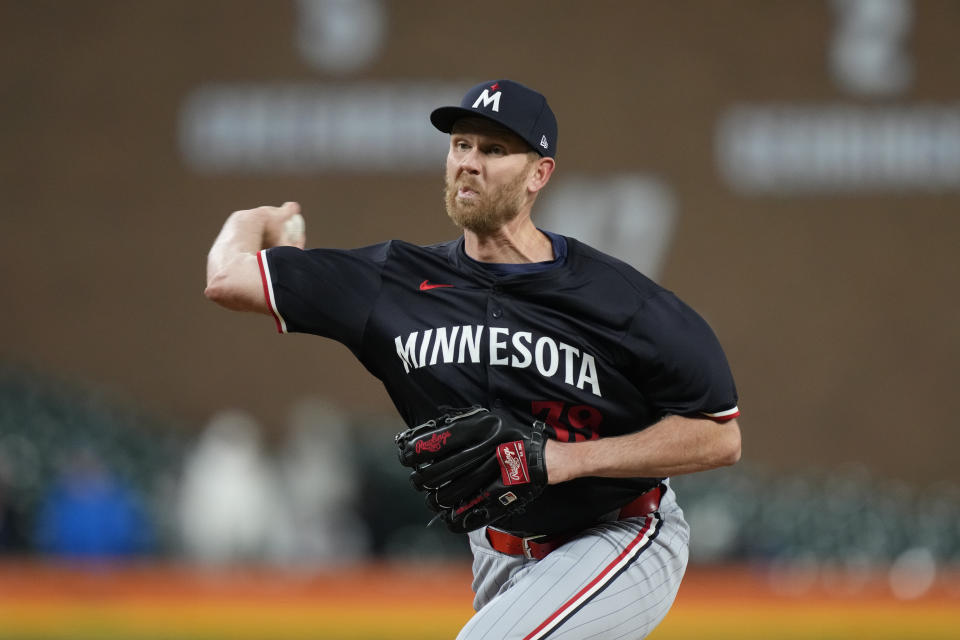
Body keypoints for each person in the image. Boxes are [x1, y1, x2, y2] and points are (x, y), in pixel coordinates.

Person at [205, 79, 741, 639]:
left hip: (618, 534)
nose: (470, 163)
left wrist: (564, 459)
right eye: (461, 145)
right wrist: (252, 219)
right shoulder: (391, 282)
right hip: (498, 548)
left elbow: (720, 437)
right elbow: (225, 278)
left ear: (540, 174)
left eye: (493, 150)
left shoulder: (618, 299)